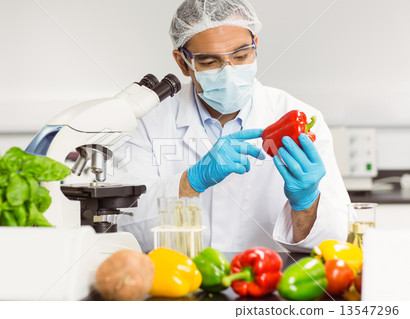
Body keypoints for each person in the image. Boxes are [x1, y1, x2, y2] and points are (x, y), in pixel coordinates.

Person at [112, 0, 350, 253]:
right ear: (182, 63)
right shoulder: (148, 122)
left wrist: (306, 202)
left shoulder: (301, 118)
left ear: (256, 45)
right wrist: (190, 183)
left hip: (266, 286)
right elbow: (123, 228)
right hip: (176, 284)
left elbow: (331, 245)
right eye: (209, 62)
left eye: (240, 56)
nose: (229, 71)